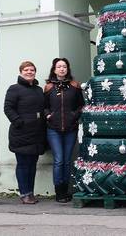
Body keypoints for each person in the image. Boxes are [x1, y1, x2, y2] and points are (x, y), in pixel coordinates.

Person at [4, 61, 46, 204]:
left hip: (36, 134)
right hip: (21, 134)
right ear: (21, 72)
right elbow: (8, 108)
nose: (29, 72)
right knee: (23, 164)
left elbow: (43, 108)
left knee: (32, 165)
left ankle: (30, 193)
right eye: (26, 70)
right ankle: (24, 194)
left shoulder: (39, 90)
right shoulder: (14, 89)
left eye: (32, 70)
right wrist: (19, 122)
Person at [44, 58, 84, 203]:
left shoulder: (75, 86)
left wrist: (74, 115)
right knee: (59, 160)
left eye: (64, 67)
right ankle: (59, 192)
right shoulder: (48, 87)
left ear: (67, 69)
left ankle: (66, 190)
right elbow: (44, 106)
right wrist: (48, 115)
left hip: (70, 129)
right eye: (59, 66)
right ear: (54, 69)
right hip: (53, 129)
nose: (62, 69)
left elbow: (81, 105)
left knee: (67, 161)